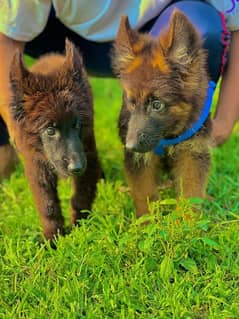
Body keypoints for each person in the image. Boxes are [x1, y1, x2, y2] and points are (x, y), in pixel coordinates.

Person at [0, 0, 238, 179]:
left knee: (203, 27)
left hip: (154, 31)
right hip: (63, 30)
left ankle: (172, 147)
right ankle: (2, 148)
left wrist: (225, 122)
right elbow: (7, 37)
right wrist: (15, 123)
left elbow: (237, 25)